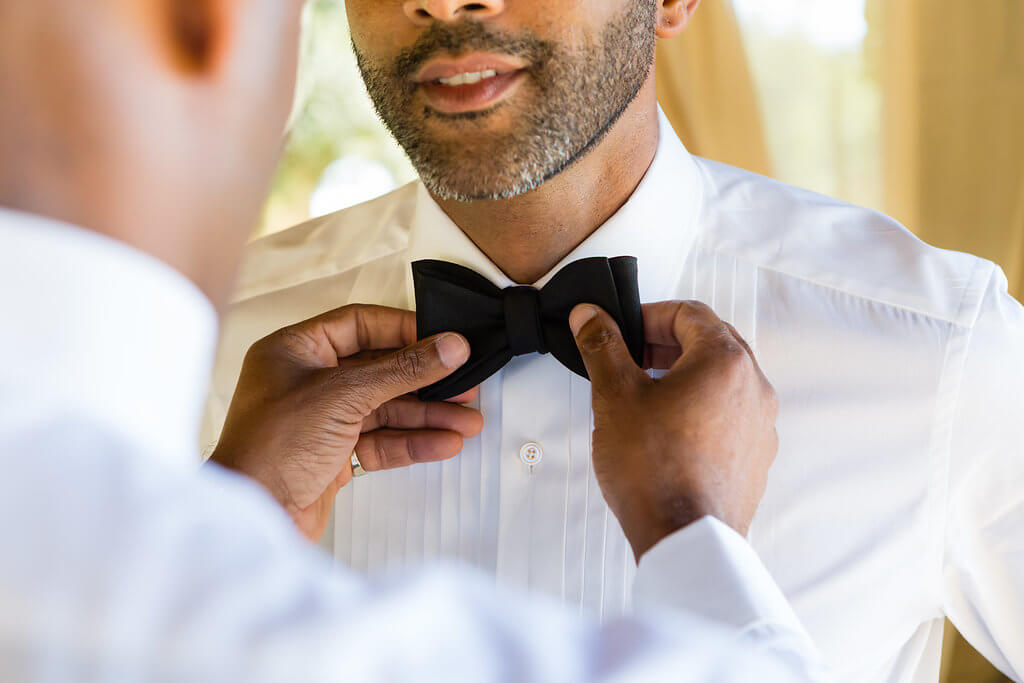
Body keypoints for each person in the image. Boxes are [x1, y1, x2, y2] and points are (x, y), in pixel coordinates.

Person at [0, 1, 828, 680]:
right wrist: (689, 528)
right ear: (211, 23)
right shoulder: (226, 353)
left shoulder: (944, 340)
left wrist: (229, 517)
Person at [201, 0, 1024, 680]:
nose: (443, 3)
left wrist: (683, 530)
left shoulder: (942, 352)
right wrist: (218, 536)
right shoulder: (205, 343)